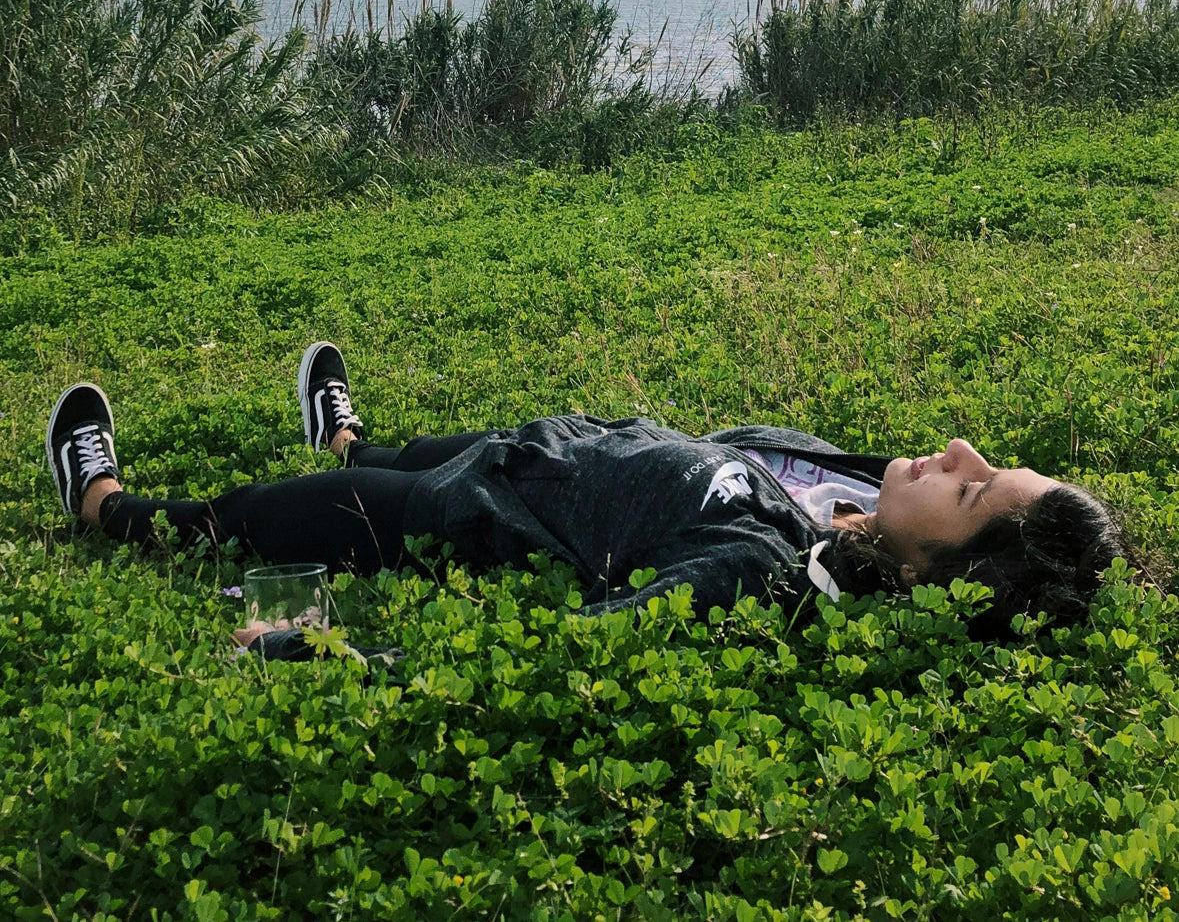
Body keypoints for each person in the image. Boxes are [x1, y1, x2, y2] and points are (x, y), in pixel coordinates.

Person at [45, 342, 1133, 644]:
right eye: (981, 457)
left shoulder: (763, 578)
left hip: (477, 515)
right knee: (385, 453)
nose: (954, 447)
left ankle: (99, 505)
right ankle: (350, 432)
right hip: (533, 446)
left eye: (974, 485)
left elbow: (602, 635)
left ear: (939, 577)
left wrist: (337, 651)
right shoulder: (855, 490)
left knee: (233, 523)